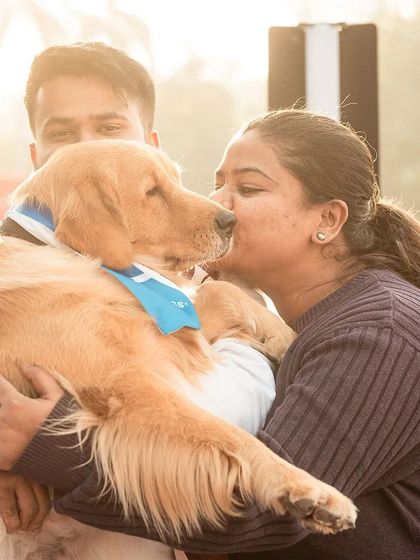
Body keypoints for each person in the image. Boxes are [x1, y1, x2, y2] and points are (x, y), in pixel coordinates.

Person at [1, 107, 419, 559]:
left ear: (328, 221)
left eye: (249, 188)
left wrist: (46, 450)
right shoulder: (278, 311)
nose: (218, 203)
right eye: (219, 182)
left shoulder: (381, 333)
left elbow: (257, 515)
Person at [0, 41, 277, 554]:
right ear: (37, 156)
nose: (83, 147)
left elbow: (224, 410)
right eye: (61, 133)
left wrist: (40, 446)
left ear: (151, 146)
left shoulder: (212, 277)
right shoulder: (13, 271)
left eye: (108, 128)